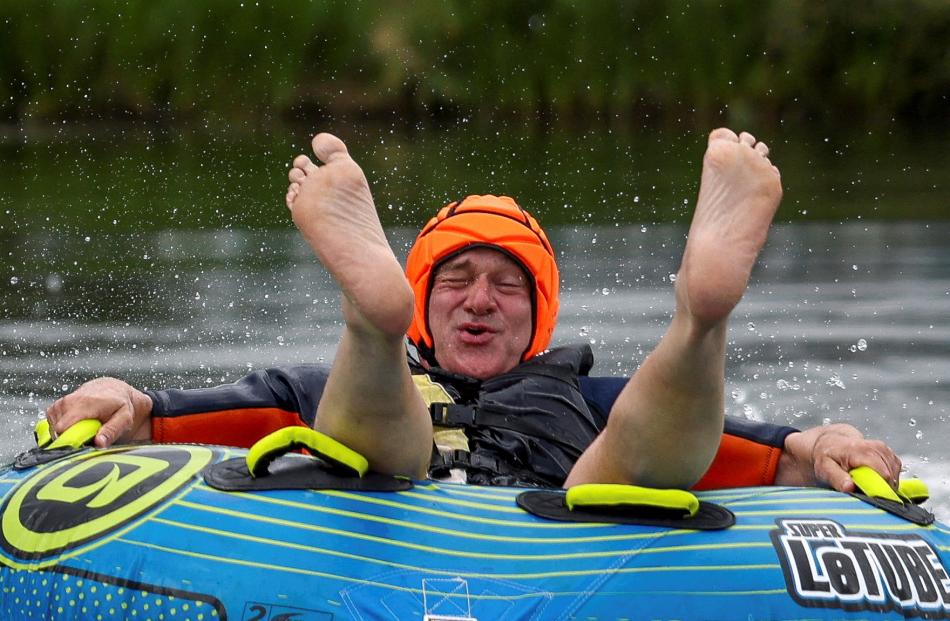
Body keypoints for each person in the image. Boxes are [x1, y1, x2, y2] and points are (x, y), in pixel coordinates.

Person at [46, 129, 901, 493]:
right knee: (367, 427)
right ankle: (368, 317)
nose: (482, 299)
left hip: (571, 509)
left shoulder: (585, 394)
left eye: (508, 283)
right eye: (455, 279)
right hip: (387, 478)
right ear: (423, 301)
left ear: (541, 316)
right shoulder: (310, 387)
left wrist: (817, 444)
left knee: (631, 451)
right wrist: (126, 397)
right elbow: (179, 419)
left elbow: (743, 449)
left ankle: (700, 314)